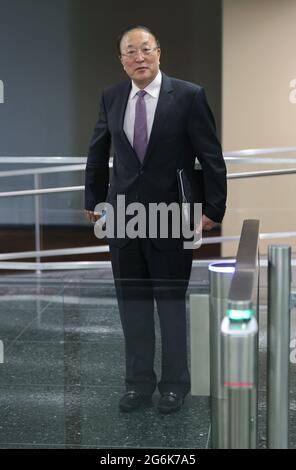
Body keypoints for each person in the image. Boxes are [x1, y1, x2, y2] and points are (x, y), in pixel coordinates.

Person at [84, 25, 227, 414]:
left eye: (145, 50)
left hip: (171, 217)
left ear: (159, 53)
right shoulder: (112, 96)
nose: (139, 58)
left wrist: (214, 210)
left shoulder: (189, 96)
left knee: (170, 304)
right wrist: (94, 198)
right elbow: (98, 151)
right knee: (132, 304)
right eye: (130, 52)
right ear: (122, 60)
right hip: (124, 218)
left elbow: (211, 157)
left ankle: (175, 385)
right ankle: (137, 384)